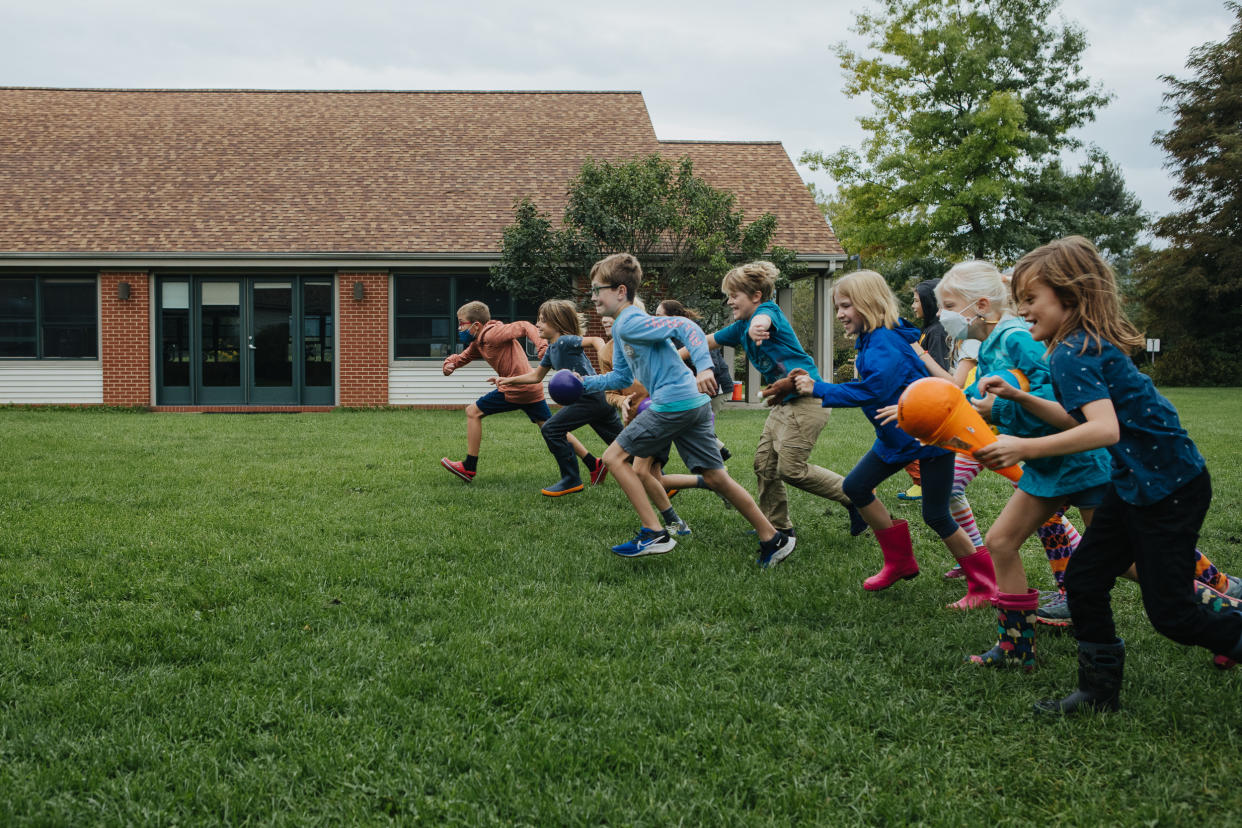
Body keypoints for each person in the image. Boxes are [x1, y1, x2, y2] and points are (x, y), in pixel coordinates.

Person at [974, 235, 1242, 714]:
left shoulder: (1072, 352)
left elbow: (1101, 429)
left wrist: (1023, 445)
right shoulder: (1074, 347)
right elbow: (1083, 420)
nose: (1023, 310)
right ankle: (1098, 693)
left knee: (1173, 614)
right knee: (1085, 579)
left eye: (1031, 300)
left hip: (1170, 487)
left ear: (1069, 297)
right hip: (1136, 483)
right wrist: (1022, 399)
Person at [897, 261, 1112, 667]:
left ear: (980, 305)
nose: (941, 314)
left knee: (1127, 561)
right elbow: (1003, 403)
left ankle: (1223, 614)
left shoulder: (1017, 338)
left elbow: (1067, 404)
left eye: (947, 304)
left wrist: (1004, 410)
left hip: (1079, 461)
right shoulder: (992, 345)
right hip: (1048, 467)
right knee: (1000, 542)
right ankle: (1016, 649)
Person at [580, 253, 795, 564]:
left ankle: (653, 532)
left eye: (597, 289)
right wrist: (584, 383)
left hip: (673, 404)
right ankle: (772, 538)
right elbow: (623, 377)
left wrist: (705, 366)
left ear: (620, 291)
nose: (594, 296)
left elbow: (685, 327)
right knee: (716, 477)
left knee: (613, 457)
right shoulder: (620, 329)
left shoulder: (631, 321)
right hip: (692, 404)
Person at [793, 270, 983, 598]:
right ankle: (900, 562)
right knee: (856, 486)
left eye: (846, 306)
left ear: (868, 304)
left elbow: (873, 389)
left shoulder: (883, 341)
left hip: (925, 439)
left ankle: (983, 584)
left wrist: (817, 388)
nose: (840, 314)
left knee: (937, 514)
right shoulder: (875, 338)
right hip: (895, 438)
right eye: (838, 307)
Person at [689, 261, 863, 551]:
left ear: (756, 295)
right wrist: (671, 355)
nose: (729, 300)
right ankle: (778, 529)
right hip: (783, 403)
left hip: (808, 400)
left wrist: (759, 328)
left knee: (791, 469)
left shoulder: (766, 312)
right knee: (765, 465)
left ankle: (856, 497)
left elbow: (764, 321)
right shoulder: (741, 326)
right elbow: (706, 342)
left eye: (734, 294)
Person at [492, 299, 620, 496]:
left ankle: (571, 479)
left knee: (551, 429)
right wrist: (508, 381)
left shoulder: (565, 341)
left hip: (590, 399)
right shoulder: (552, 349)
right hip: (597, 400)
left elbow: (595, 340)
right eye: (538, 320)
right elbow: (536, 377)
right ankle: (660, 478)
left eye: (542, 320)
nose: (537, 325)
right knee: (621, 443)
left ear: (557, 323)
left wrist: (605, 358)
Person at [439, 301, 550, 483]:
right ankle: (593, 462)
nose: (459, 328)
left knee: (473, 411)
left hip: (516, 387)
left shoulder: (493, 334)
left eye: (461, 324)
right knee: (551, 428)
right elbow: (462, 357)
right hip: (529, 388)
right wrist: (449, 365)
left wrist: (542, 346)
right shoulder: (479, 343)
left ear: (476, 326)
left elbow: (524, 326)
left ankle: (469, 467)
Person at [897, 279, 952, 503]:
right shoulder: (927, 329)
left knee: (905, 437)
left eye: (916, 300)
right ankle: (922, 482)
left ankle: (923, 483)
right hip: (919, 394)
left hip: (930, 399)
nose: (913, 305)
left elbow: (939, 368)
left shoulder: (937, 332)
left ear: (929, 302)